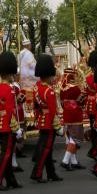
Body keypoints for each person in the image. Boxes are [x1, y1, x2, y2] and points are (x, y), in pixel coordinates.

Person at [0, 51, 22, 191]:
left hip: (0, 124)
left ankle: (11, 180)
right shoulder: (9, 89)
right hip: (9, 125)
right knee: (6, 154)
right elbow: (10, 110)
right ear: (10, 73)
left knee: (6, 153)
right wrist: (16, 128)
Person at [30, 54, 63, 183]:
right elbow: (53, 111)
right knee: (46, 149)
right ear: (49, 75)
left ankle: (51, 173)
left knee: (47, 150)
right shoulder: (48, 91)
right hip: (49, 123)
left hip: (42, 121)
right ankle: (37, 173)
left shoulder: (37, 88)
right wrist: (58, 127)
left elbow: (36, 106)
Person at [59, 67, 86, 170]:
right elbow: (81, 101)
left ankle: (73, 161)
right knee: (75, 138)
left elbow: (61, 103)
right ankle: (65, 160)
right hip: (75, 115)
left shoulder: (62, 88)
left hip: (66, 114)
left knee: (69, 138)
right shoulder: (75, 88)